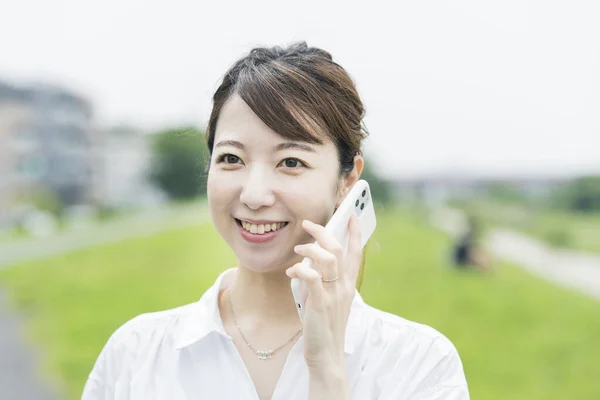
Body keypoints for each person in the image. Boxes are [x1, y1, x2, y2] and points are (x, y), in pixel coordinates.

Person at [82, 42, 469, 400]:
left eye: (290, 163)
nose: (253, 195)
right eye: (231, 158)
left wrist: (328, 370)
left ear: (346, 183)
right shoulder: (133, 358)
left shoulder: (420, 366)